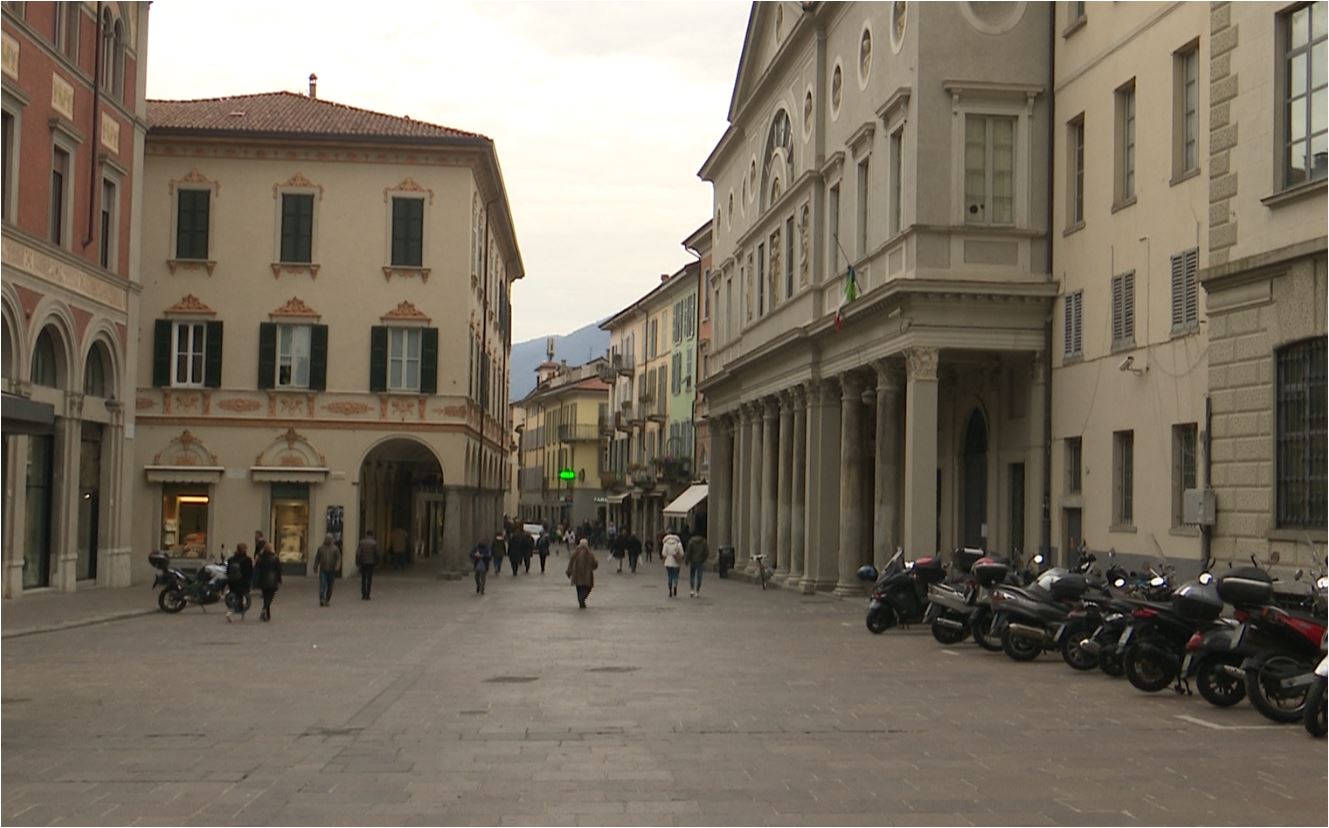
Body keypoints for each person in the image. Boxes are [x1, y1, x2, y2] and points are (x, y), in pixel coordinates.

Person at [254, 541, 283, 621]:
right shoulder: (275, 558)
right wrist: (279, 579)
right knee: (270, 597)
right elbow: (279, 569)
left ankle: (267, 614)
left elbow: (257, 569)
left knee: (266, 597)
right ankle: (264, 609)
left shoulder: (261, 558)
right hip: (272, 580)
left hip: (263, 580)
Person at [225, 543, 254, 622]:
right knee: (239, 597)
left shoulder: (231, 559)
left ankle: (237, 612)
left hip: (232, 582)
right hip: (243, 582)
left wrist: (229, 579)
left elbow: (227, 571)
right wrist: (250, 582)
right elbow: (250, 572)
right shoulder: (247, 559)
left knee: (236, 596)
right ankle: (231, 612)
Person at [566, 538, 598, 609]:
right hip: (587, 576)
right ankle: (582, 599)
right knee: (588, 588)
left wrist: (569, 571)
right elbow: (595, 563)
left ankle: (581, 600)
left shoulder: (575, 553)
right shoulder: (590, 553)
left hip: (577, 575)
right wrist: (593, 567)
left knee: (579, 589)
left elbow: (571, 562)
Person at [314, 534, 341, 607]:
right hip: (323, 570)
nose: (328, 540)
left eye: (329, 539)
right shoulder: (321, 548)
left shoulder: (335, 549)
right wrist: (315, 567)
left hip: (332, 570)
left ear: (331, 540)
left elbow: (338, 558)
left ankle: (327, 599)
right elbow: (317, 558)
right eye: (327, 539)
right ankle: (322, 599)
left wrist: (337, 566)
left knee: (330, 586)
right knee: (322, 585)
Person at [685, 529, 709, 598]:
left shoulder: (691, 542)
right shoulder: (704, 542)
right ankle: (697, 591)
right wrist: (703, 559)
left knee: (692, 575)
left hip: (693, 561)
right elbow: (707, 552)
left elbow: (688, 552)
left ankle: (692, 590)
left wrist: (687, 560)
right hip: (700, 561)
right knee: (699, 576)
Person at [356, 529, 379, 600]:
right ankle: (368, 595)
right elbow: (377, 553)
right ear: (372, 535)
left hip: (363, 562)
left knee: (363, 578)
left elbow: (358, 553)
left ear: (366, 534)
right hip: (371, 563)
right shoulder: (374, 543)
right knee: (369, 579)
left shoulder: (361, 542)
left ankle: (363, 594)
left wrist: (357, 562)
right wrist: (377, 562)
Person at [660, 529, 684, 598]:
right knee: (676, 576)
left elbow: (663, 553)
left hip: (668, 561)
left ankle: (670, 590)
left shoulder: (666, 543)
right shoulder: (678, 544)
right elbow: (682, 553)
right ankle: (675, 586)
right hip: (676, 562)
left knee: (669, 576)